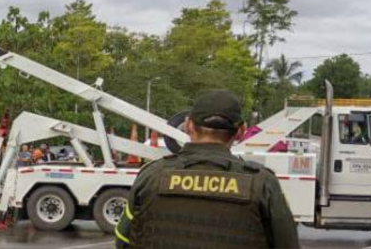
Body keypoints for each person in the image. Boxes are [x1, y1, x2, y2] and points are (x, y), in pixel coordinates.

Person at [115, 89, 299, 249]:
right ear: (241, 131)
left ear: (188, 125)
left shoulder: (151, 175)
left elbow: (123, 239)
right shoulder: (263, 183)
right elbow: (287, 244)